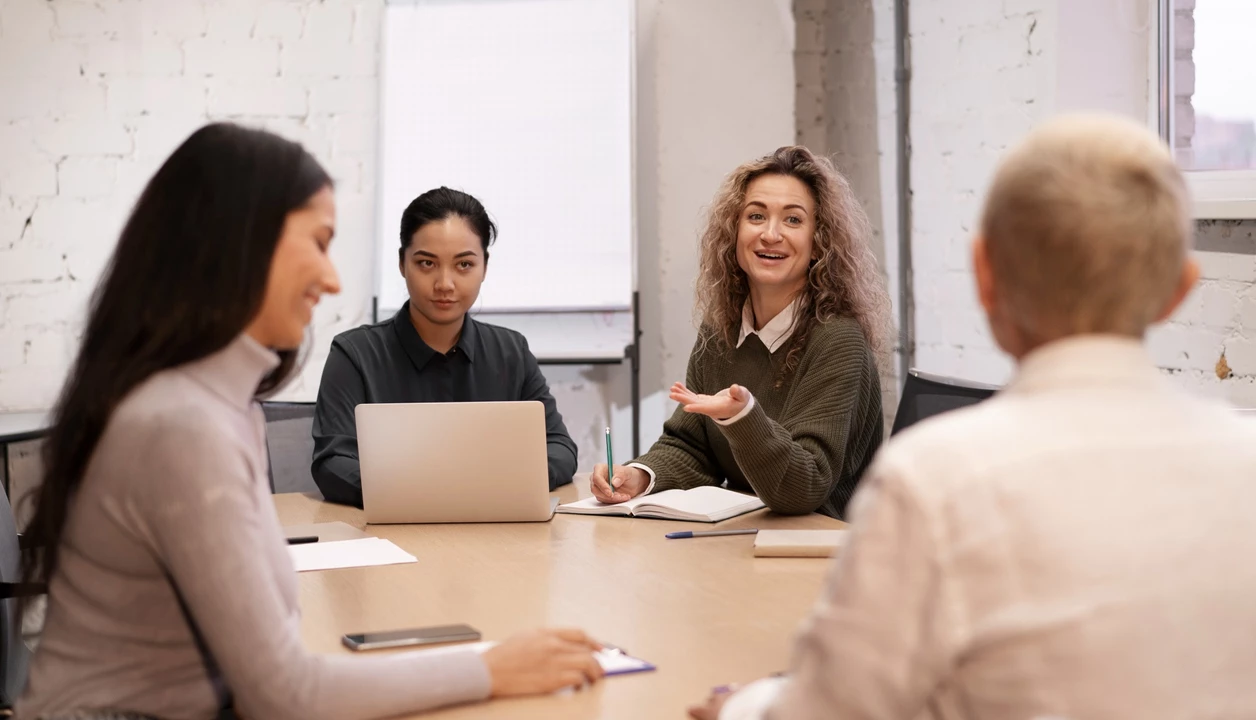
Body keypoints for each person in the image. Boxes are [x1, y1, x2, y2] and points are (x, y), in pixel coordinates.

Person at [691, 114, 1256, 719]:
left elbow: (832, 709)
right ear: (1181, 288)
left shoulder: (932, 480)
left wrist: (745, 706)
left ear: (985, 276)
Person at [17, 124, 603, 720]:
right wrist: (490, 668)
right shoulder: (183, 425)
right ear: (239, 247)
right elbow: (283, 694)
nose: (332, 280)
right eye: (317, 244)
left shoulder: (222, 404)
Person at [590, 146, 892, 519]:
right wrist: (637, 476)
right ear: (734, 231)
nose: (770, 234)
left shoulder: (837, 340)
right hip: (749, 538)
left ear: (819, 242)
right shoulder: (721, 329)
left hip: (820, 550)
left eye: (793, 220)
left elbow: (804, 488)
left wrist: (743, 417)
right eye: (755, 216)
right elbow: (693, 447)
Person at [312, 187, 578, 507]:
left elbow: (559, 447)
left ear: (484, 267)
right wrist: (428, 491)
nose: (445, 284)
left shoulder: (511, 351)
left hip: (495, 533)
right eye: (427, 263)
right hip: (393, 530)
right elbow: (332, 463)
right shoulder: (354, 354)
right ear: (402, 263)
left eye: (464, 265)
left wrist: (499, 482)